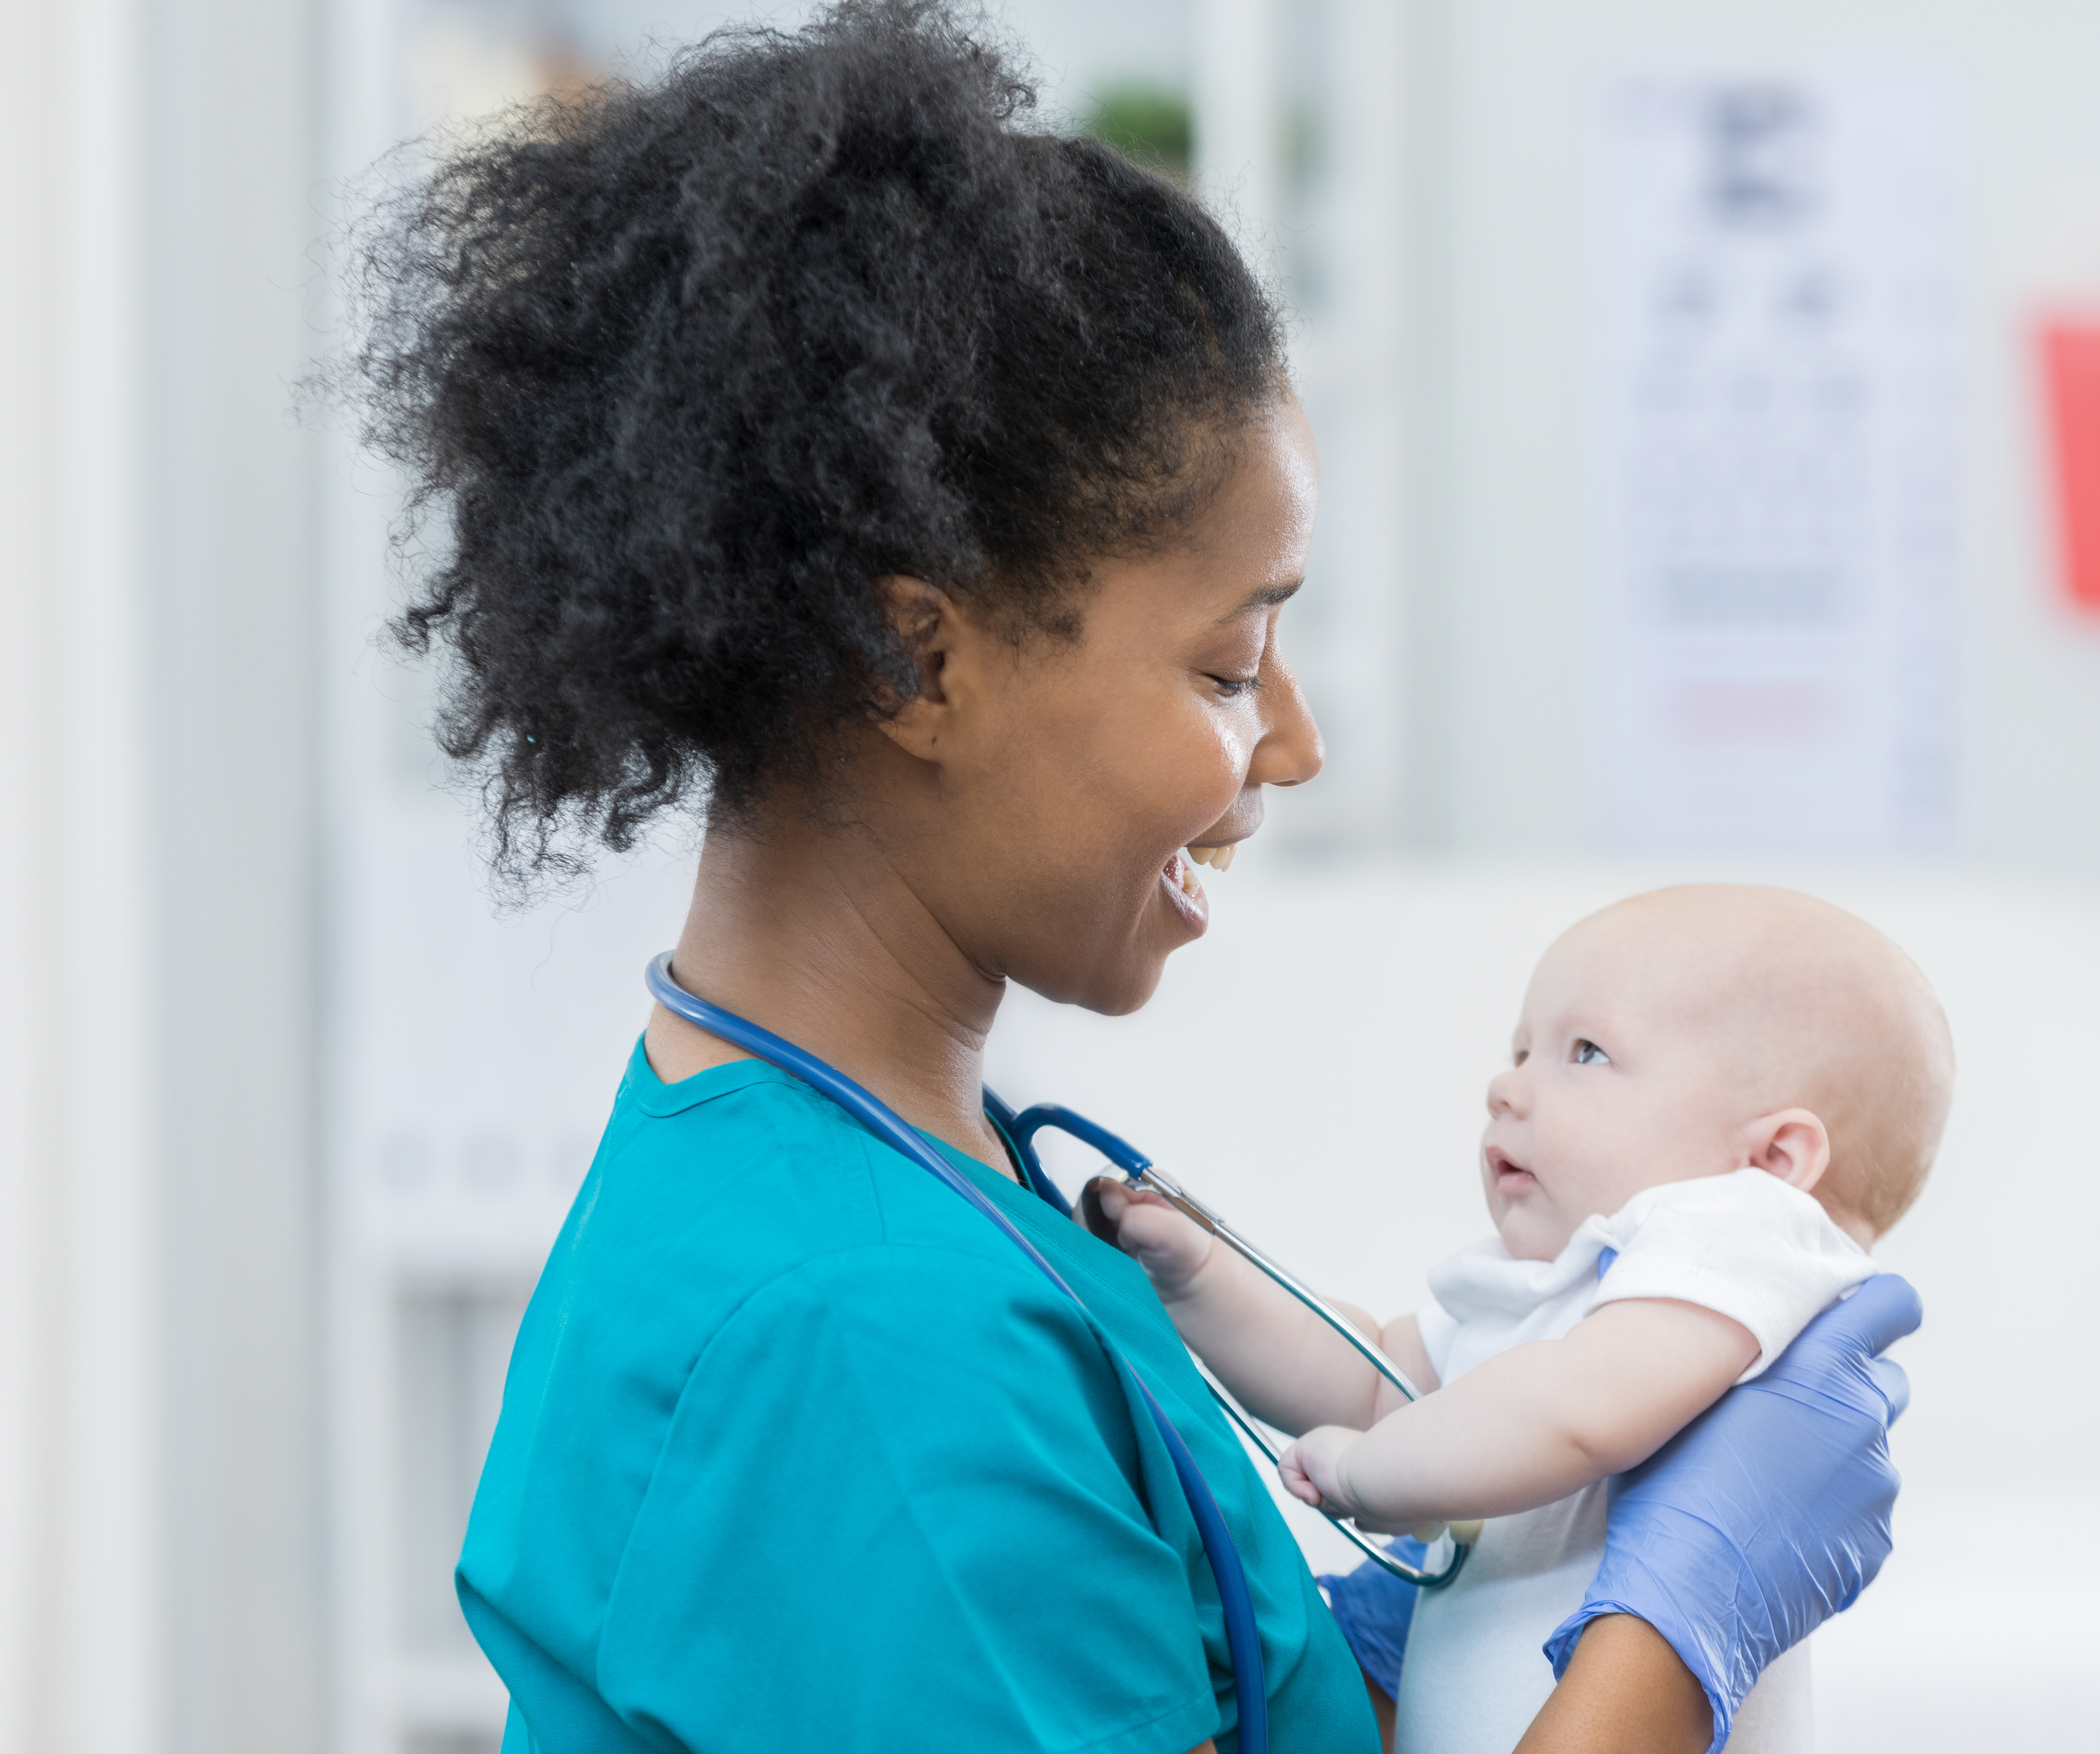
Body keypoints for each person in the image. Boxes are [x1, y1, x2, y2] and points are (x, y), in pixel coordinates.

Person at [339, 4, 1919, 1750]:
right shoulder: (867, 1350)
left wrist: (1364, 1655)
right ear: (912, 664)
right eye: (1232, 666)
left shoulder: (890, 1176)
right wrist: (1669, 1638)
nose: (1295, 747)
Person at [1094, 887, 1952, 1752]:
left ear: (1771, 1158)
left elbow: (1584, 1410)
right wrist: (1204, 1276)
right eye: (1521, 1049)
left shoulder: (1750, 1233)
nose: (1506, 1086)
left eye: (1585, 1051)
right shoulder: (1562, 1283)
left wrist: (1368, 1474)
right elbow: (1375, 1380)